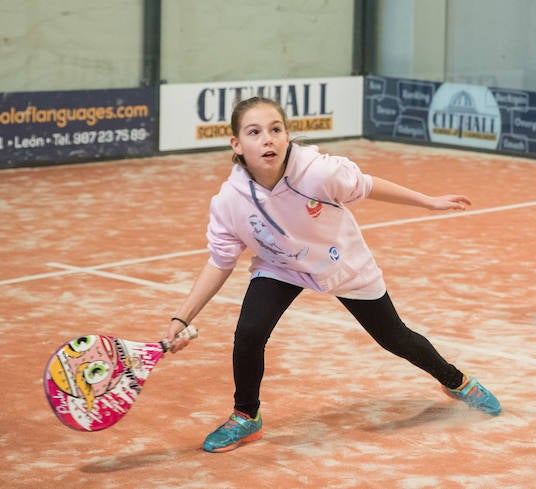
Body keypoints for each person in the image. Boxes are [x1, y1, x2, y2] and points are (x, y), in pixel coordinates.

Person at [163, 96, 501, 453]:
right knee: (249, 332)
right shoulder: (229, 201)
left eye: (276, 129)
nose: (268, 139)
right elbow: (220, 262)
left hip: (342, 263)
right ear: (237, 144)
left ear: (288, 135)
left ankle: (456, 381)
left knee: (394, 337)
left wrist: (429, 201)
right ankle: (246, 417)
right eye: (255, 132)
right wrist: (181, 317)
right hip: (282, 266)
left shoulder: (319, 172)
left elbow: (368, 185)